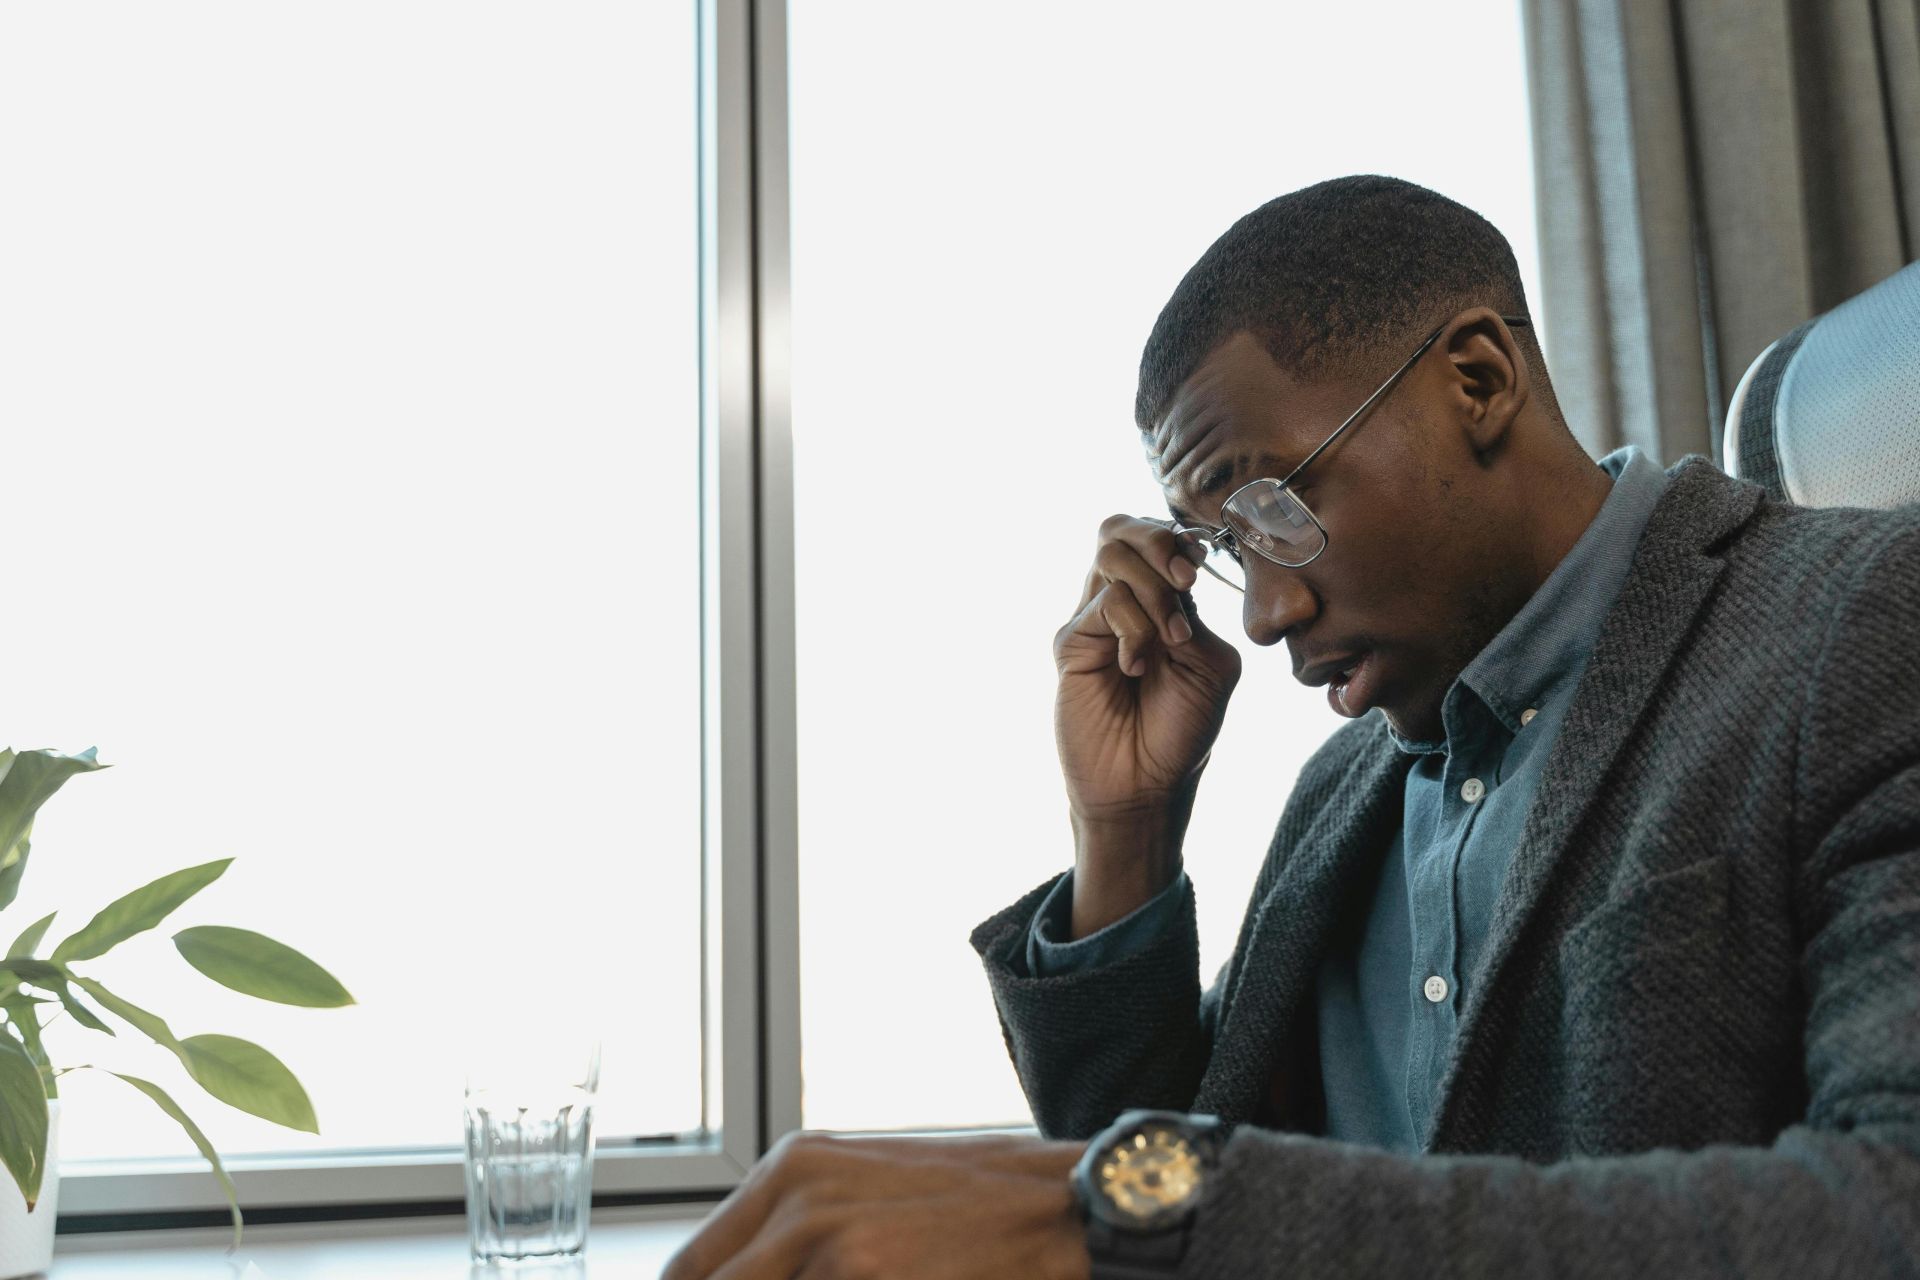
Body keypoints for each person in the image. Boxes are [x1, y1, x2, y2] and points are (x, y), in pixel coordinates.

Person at [665, 176, 1920, 1278]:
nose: (1263, 615)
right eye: (1225, 548)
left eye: (1272, 507)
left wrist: (1136, 1220)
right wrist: (1126, 830)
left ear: (1477, 379)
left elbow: (1887, 1210)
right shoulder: (1340, 790)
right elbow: (1161, 1154)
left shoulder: (1862, 622)